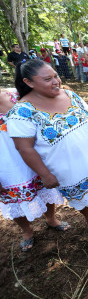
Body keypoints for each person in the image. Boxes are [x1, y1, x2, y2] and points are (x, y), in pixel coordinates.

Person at [7, 60, 88, 236]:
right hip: (65, 164)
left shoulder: (70, 95)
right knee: (76, 187)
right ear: (28, 82)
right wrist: (45, 174)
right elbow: (24, 148)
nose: (56, 81)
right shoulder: (21, 112)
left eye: (56, 76)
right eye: (47, 79)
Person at [1, 88, 67, 252]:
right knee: (12, 198)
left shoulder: (16, 94)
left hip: (34, 154)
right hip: (6, 165)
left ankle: (51, 219)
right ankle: (27, 231)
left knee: (46, 186)